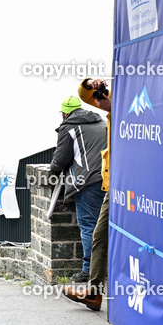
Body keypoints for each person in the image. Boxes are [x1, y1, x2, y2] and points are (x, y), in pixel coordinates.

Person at [64, 78, 112, 311]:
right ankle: (93, 293)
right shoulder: (112, 109)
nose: (101, 101)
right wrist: (89, 84)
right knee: (99, 236)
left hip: (134, 182)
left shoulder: (135, 104)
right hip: (112, 183)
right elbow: (86, 96)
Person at [48, 95, 105, 288]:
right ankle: (107, 268)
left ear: (65, 113)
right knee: (106, 227)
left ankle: (89, 270)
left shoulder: (68, 127)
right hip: (110, 178)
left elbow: (60, 160)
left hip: (87, 182)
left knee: (89, 226)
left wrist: (52, 170)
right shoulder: (101, 122)